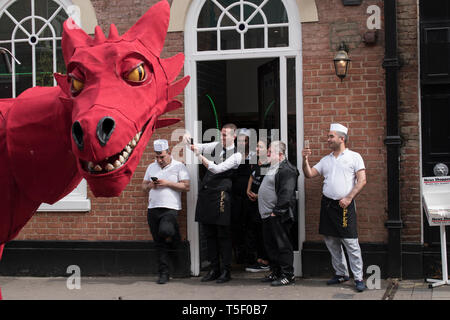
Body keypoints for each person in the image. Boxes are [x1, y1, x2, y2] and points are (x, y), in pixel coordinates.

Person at [302, 123, 367, 292]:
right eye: (328, 136)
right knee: (331, 241)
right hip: (328, 205)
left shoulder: (354, 157)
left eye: (331, 136)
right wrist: (305, 160)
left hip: (345, 205)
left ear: (341, 138)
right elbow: (309, 174)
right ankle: (341, 274)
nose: (328, 139)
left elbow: (362, 180)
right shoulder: (326, 159)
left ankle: (359, 277)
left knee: (351, 242)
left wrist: (349, 197)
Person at [186, 123, 242, 283]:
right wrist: (187, 140)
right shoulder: (216, 146)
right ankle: (214, 269)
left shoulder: (237, 155)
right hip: (207, 194)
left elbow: (217, 169)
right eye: (221, 134)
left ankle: (226, 271)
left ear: (234, 136)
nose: (222, 138)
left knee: (223, 235)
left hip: (222, 195)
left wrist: (198, 156)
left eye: (225, 135)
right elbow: (197, 146)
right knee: (209, 234)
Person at [142, 139, 190, 284]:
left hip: (170, 208)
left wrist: (167, 183)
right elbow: (143, 187)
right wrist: (151, 184)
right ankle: (164, 273)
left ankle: (174, 236)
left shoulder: (179, 166)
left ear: (169, 153)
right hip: (153, 208)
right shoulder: (151, 167)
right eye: (157, 157)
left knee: (166, 231)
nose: (159, 160)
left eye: (162, 156)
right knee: (159, 242)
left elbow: (186, 186)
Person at [258, 141, 298, 286]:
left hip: (278, 215)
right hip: (267, 215)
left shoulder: (287, 169)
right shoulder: (272, 167)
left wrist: (277, 212)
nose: (267, 154)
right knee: (271, 246)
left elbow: (286, 193)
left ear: (280, 155)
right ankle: (276, 272)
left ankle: (288, 275)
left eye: (270, 152)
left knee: (283, 246)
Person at [244, 138, 271, 272]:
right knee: (254, 231)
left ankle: (265, 261)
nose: (257, 149)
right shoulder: (256, 162)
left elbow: (270, 186)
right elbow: (251, 177)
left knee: (263, 232)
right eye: (257, 147)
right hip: (253, 203)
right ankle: (259, 259)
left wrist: (258, 196)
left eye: (260, 147)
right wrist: (248, 190)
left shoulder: (270, 165)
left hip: (263, 203)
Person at [231, 128, 255, 266]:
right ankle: (239, 256)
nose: (242, 143)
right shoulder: (232, 155)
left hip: (250, 197)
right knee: (237, 226)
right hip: (235, 197)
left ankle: (251, 257)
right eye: (240, 140)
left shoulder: (254, 155)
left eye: (245, 140)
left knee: (250, 227)